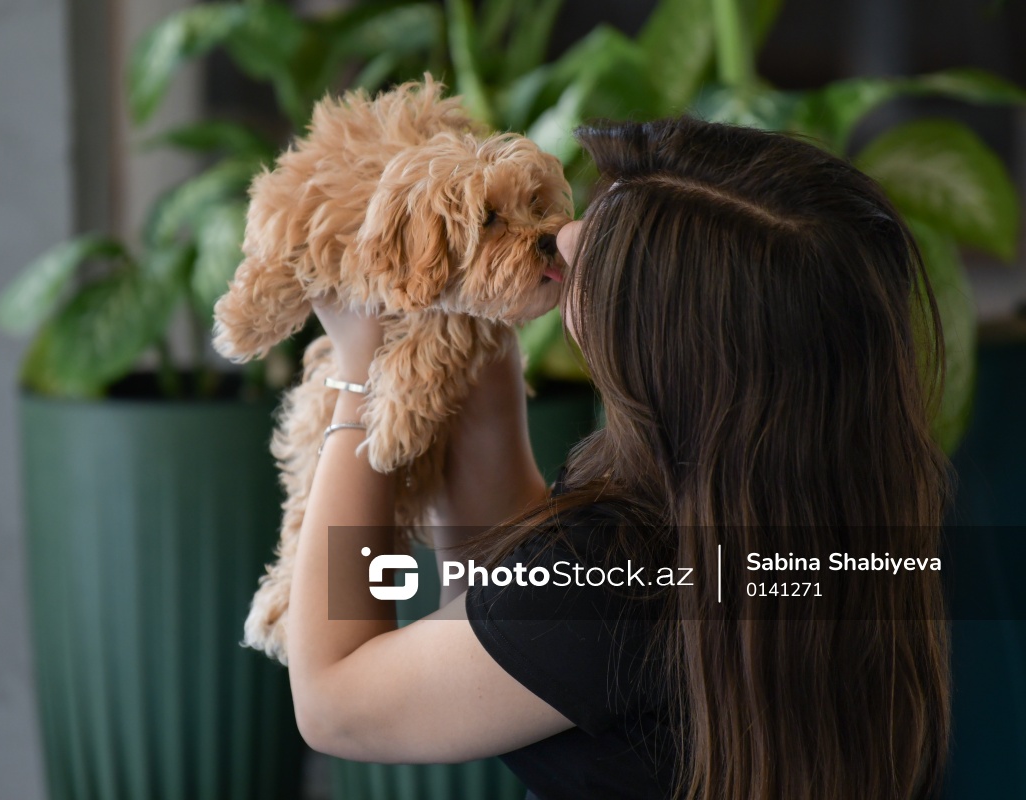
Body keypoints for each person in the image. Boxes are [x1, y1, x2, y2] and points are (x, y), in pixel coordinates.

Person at [283, 116, 952, 800]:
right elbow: (505, 599)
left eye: (604, 250)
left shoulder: (619, 582)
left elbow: (336, 705)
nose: (566, 234)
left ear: (665, 349)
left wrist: (358, 370)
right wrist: (476, 325)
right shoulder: (828, 513)